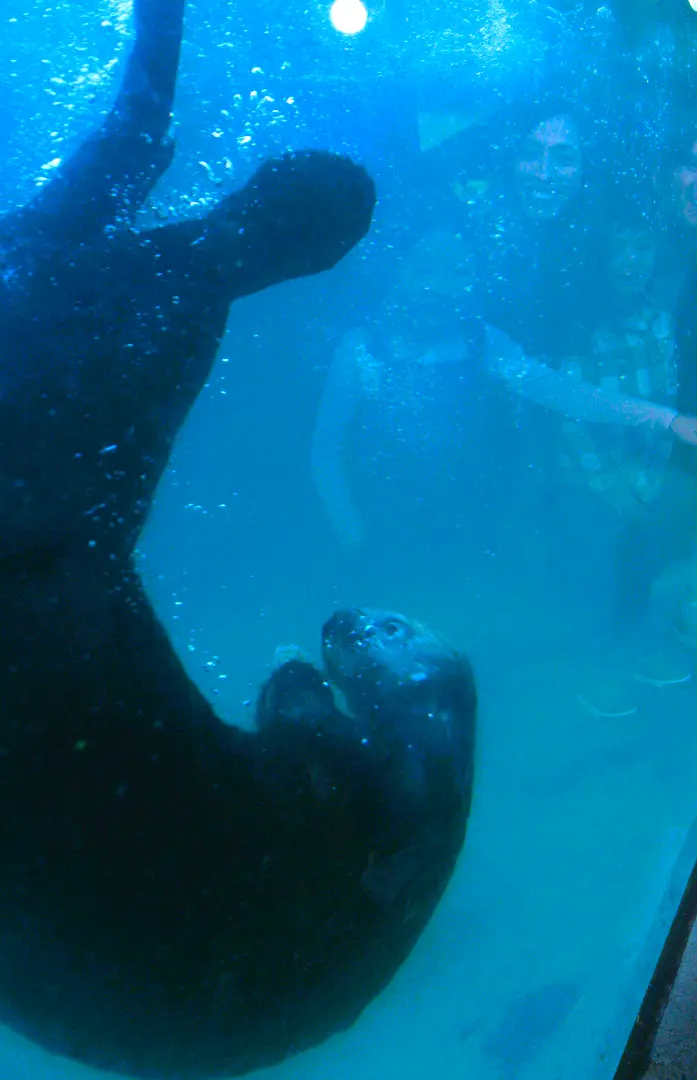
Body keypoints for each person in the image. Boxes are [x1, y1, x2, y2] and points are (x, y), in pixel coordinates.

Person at [0, 5, 480, 1080]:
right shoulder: (182, 299)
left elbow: (131, 125)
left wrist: (161, 18)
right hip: (49, 620)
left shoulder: (68, 244)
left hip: (50, 609)